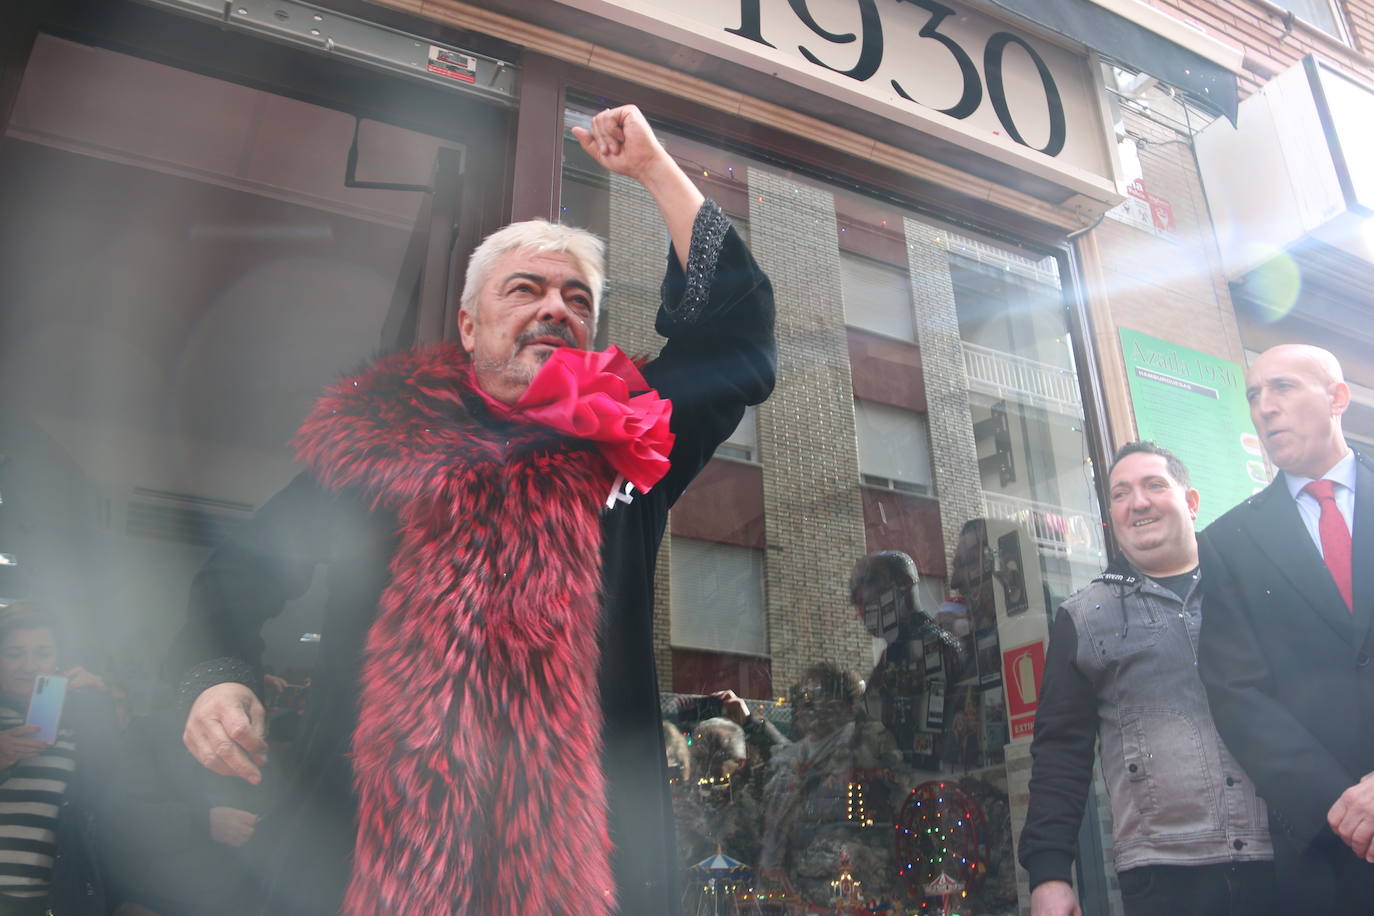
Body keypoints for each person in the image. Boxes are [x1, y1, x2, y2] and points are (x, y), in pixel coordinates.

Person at [167, 104, 776, 915]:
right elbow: (238, 572)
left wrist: (656, 171)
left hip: (572, 870)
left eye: (575, 298)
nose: (553, 307)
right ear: (468, 322)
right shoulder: (382, 439)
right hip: (373, 858)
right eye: (523, 289)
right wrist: (213, 680)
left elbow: (738, 346)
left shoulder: (631, 435)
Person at [1019, 442, 1275, 916]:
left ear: (1191, 501)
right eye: (1120, 494)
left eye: (1154, 485)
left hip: (1284, 854)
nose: (1137, 502)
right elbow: (1059, 754)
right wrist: (1049, 875)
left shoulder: (1253, 588)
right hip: (1165, 875)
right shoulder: (1085, 617)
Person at [1198, 344, 1374, 914]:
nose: (1264, 407)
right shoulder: (1229, 543)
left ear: (1337, 397)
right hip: (1327, 849)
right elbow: (1237, 693)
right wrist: (1340, 804)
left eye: (1283, 388)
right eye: (1254, 396)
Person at [0, 603, 118, 916]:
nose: (29, 664)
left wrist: (104, 701)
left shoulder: (74, 723)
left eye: (43, 652)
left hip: (51, 897)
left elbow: (112, 789)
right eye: (13, 653)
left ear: (58, 660)